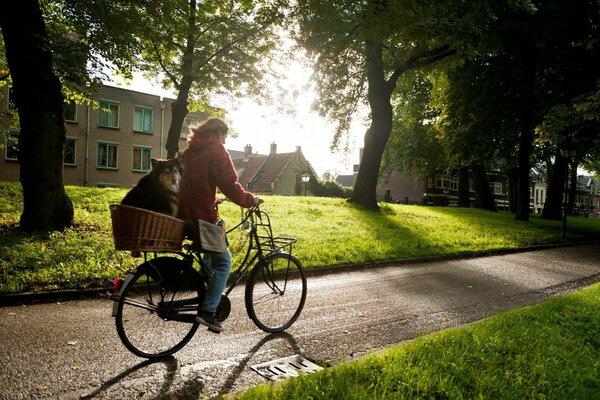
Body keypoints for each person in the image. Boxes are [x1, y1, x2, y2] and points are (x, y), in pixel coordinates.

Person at [178, 118, 261, 333]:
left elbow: (191, 184)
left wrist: (211, 198)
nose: (225, 140)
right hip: (201, 217)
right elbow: (229, 185)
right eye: (225, 136)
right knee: (224, 262)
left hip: (182, 214)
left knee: (210, 258)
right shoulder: (216, 150)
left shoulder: (189, 152)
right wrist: (250, 200)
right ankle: (208, 311)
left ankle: (206, 293)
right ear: (219, 133)